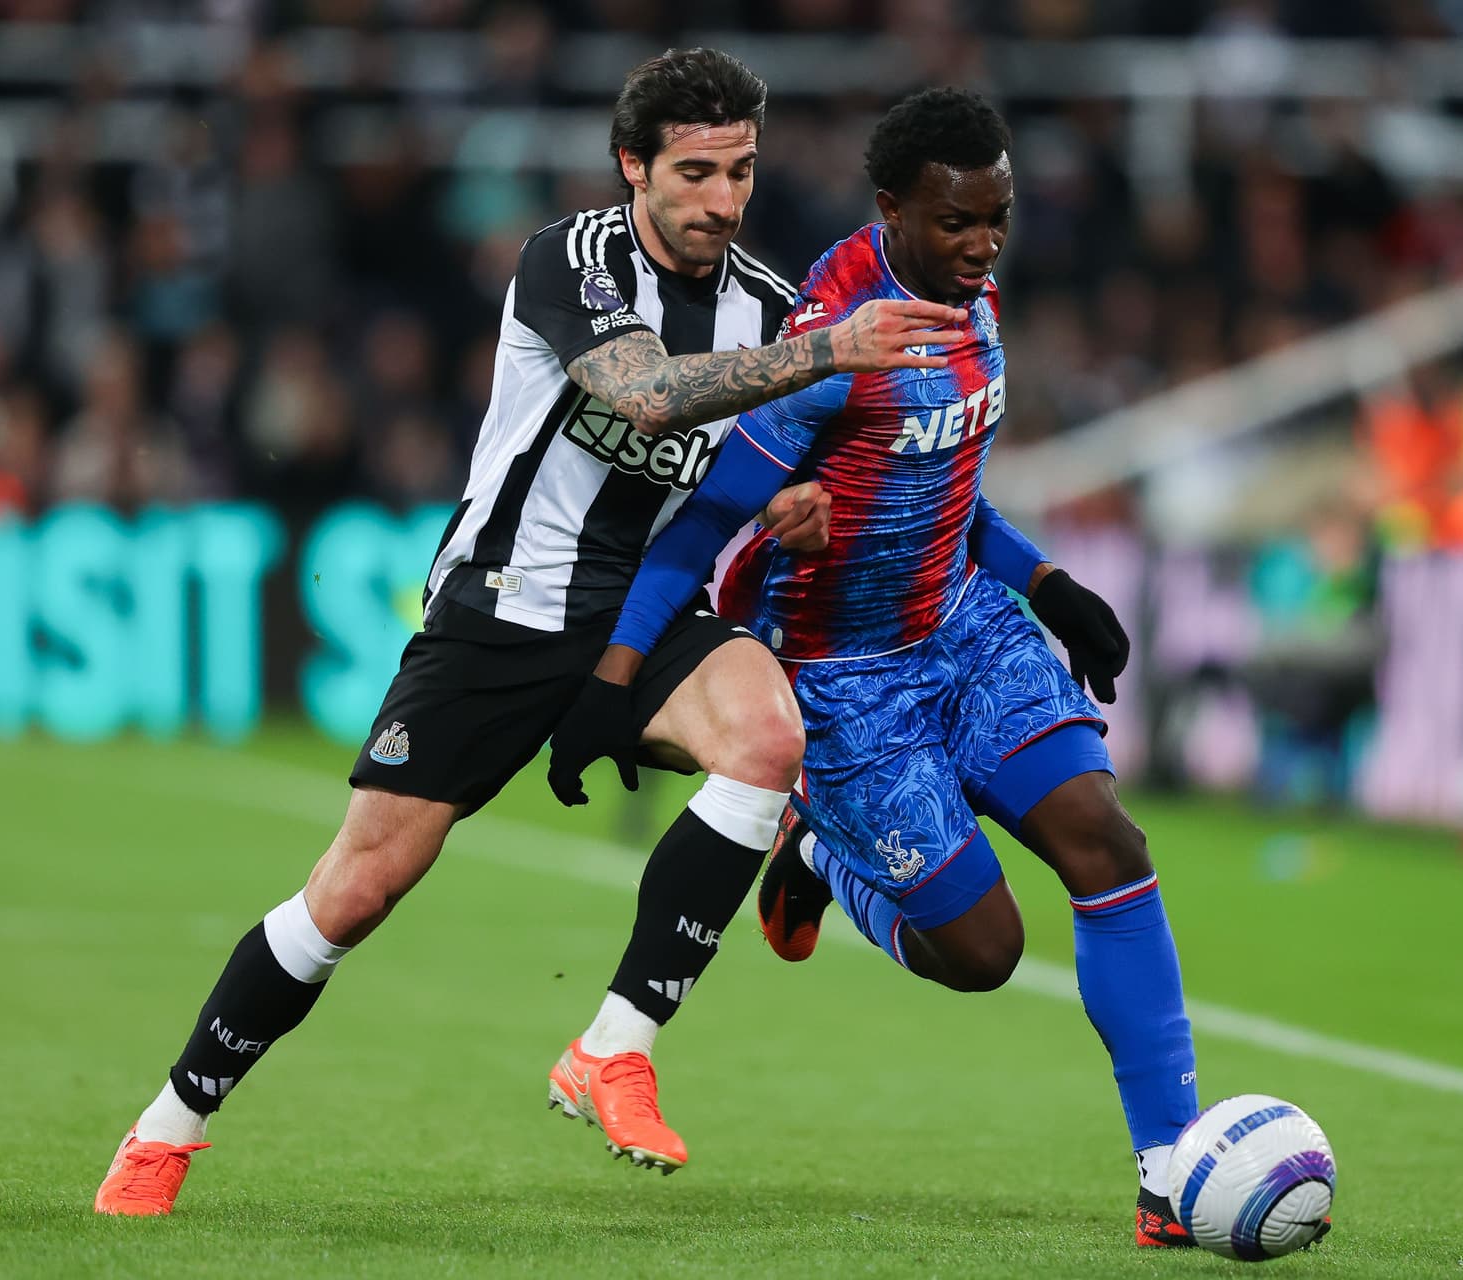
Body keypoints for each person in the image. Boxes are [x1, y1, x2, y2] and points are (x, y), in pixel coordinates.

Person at [94, 48, 967, 1215]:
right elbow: (647, 396)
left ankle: (615, 1043)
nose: (723, 199)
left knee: (766, 735)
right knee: (355, 891)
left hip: (644, 616)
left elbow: (746, 467)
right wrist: (832, 349)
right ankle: (168, 1124)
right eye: (696, 172)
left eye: (742, 171)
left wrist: (787, 505)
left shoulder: (767, 302)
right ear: (633, 166)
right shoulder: (571, 259)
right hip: (500, 610)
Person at [547, 88, 1215, 1249]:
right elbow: (700, 532)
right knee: (985, 954)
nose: (984, 243)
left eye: (998, 216)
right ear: (892, 207)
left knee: (1107, 842)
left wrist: (1047, 583)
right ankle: (815, 851)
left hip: (963, 628)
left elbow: (942, 484)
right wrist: (613, 680)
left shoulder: (971, 296)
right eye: (958, 221)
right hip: (845, 677)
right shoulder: (826, 343)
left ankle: (1171, 1167)